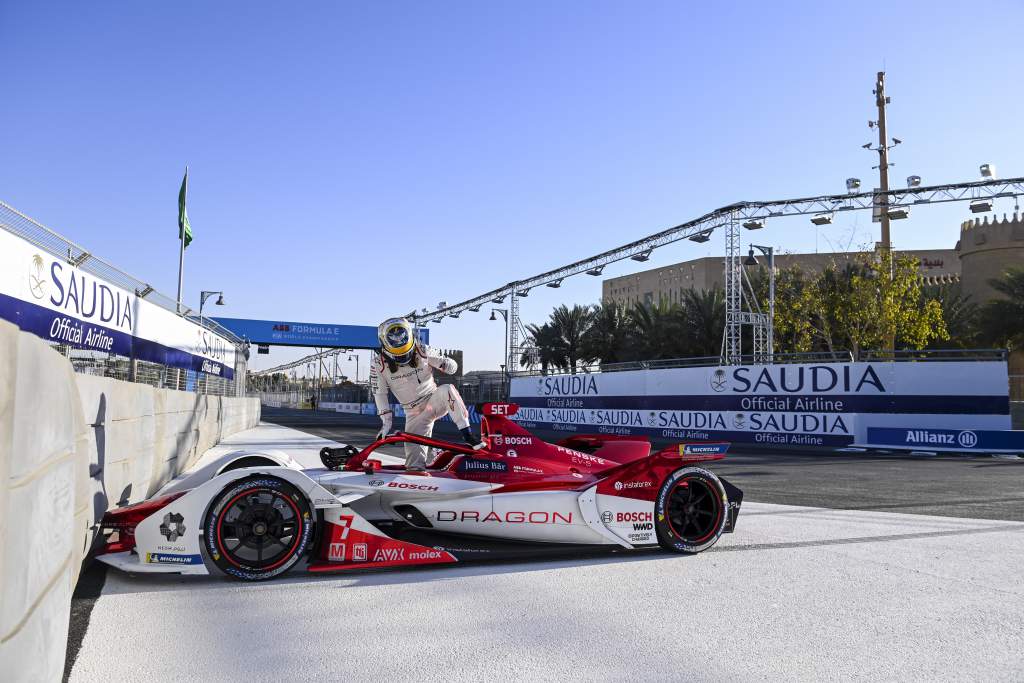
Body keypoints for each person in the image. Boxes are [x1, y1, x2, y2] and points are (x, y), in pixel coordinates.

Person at [370, 317, 480, 471]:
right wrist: (386, 423)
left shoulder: (423, 350)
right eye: (398, 356)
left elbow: (452, 366)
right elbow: (379, 393)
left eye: (401, 336)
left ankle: (469, 436)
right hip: (413, 413)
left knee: (447, 388)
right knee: (414, 466)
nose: (403, 358)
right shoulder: (378, 364)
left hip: (433, 400)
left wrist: (448, 365)